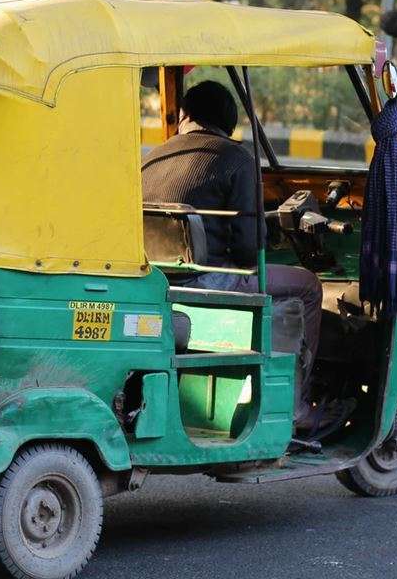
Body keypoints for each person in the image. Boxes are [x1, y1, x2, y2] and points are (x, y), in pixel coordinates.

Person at [141, 79, 335, 436]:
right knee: (307, 285)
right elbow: (248, 250)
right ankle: (297, 408)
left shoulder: (152, 157)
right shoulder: (236, 159)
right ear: (228, 123)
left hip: (156, 281)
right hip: (208, 280)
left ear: (185, 116)